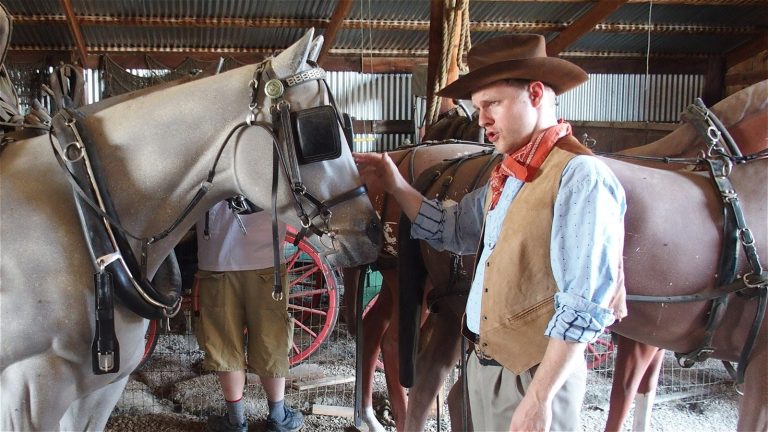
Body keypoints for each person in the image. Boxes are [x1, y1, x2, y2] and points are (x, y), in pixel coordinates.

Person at [354, 33, 627, 432]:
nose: (481, 120)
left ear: (536, 94)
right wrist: (396, 185)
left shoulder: (580, 177)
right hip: (485, 367)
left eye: (491, 104)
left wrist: (539, 400)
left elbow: (584, 305)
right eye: (478, 107)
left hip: (531, 378)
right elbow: (450, 229)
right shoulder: (509, 176)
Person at [194, 199, 304, 432]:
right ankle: (278, 418)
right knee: (271, 340)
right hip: (266, 257)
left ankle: (235, 422)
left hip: (217, 257)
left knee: (223, 342)